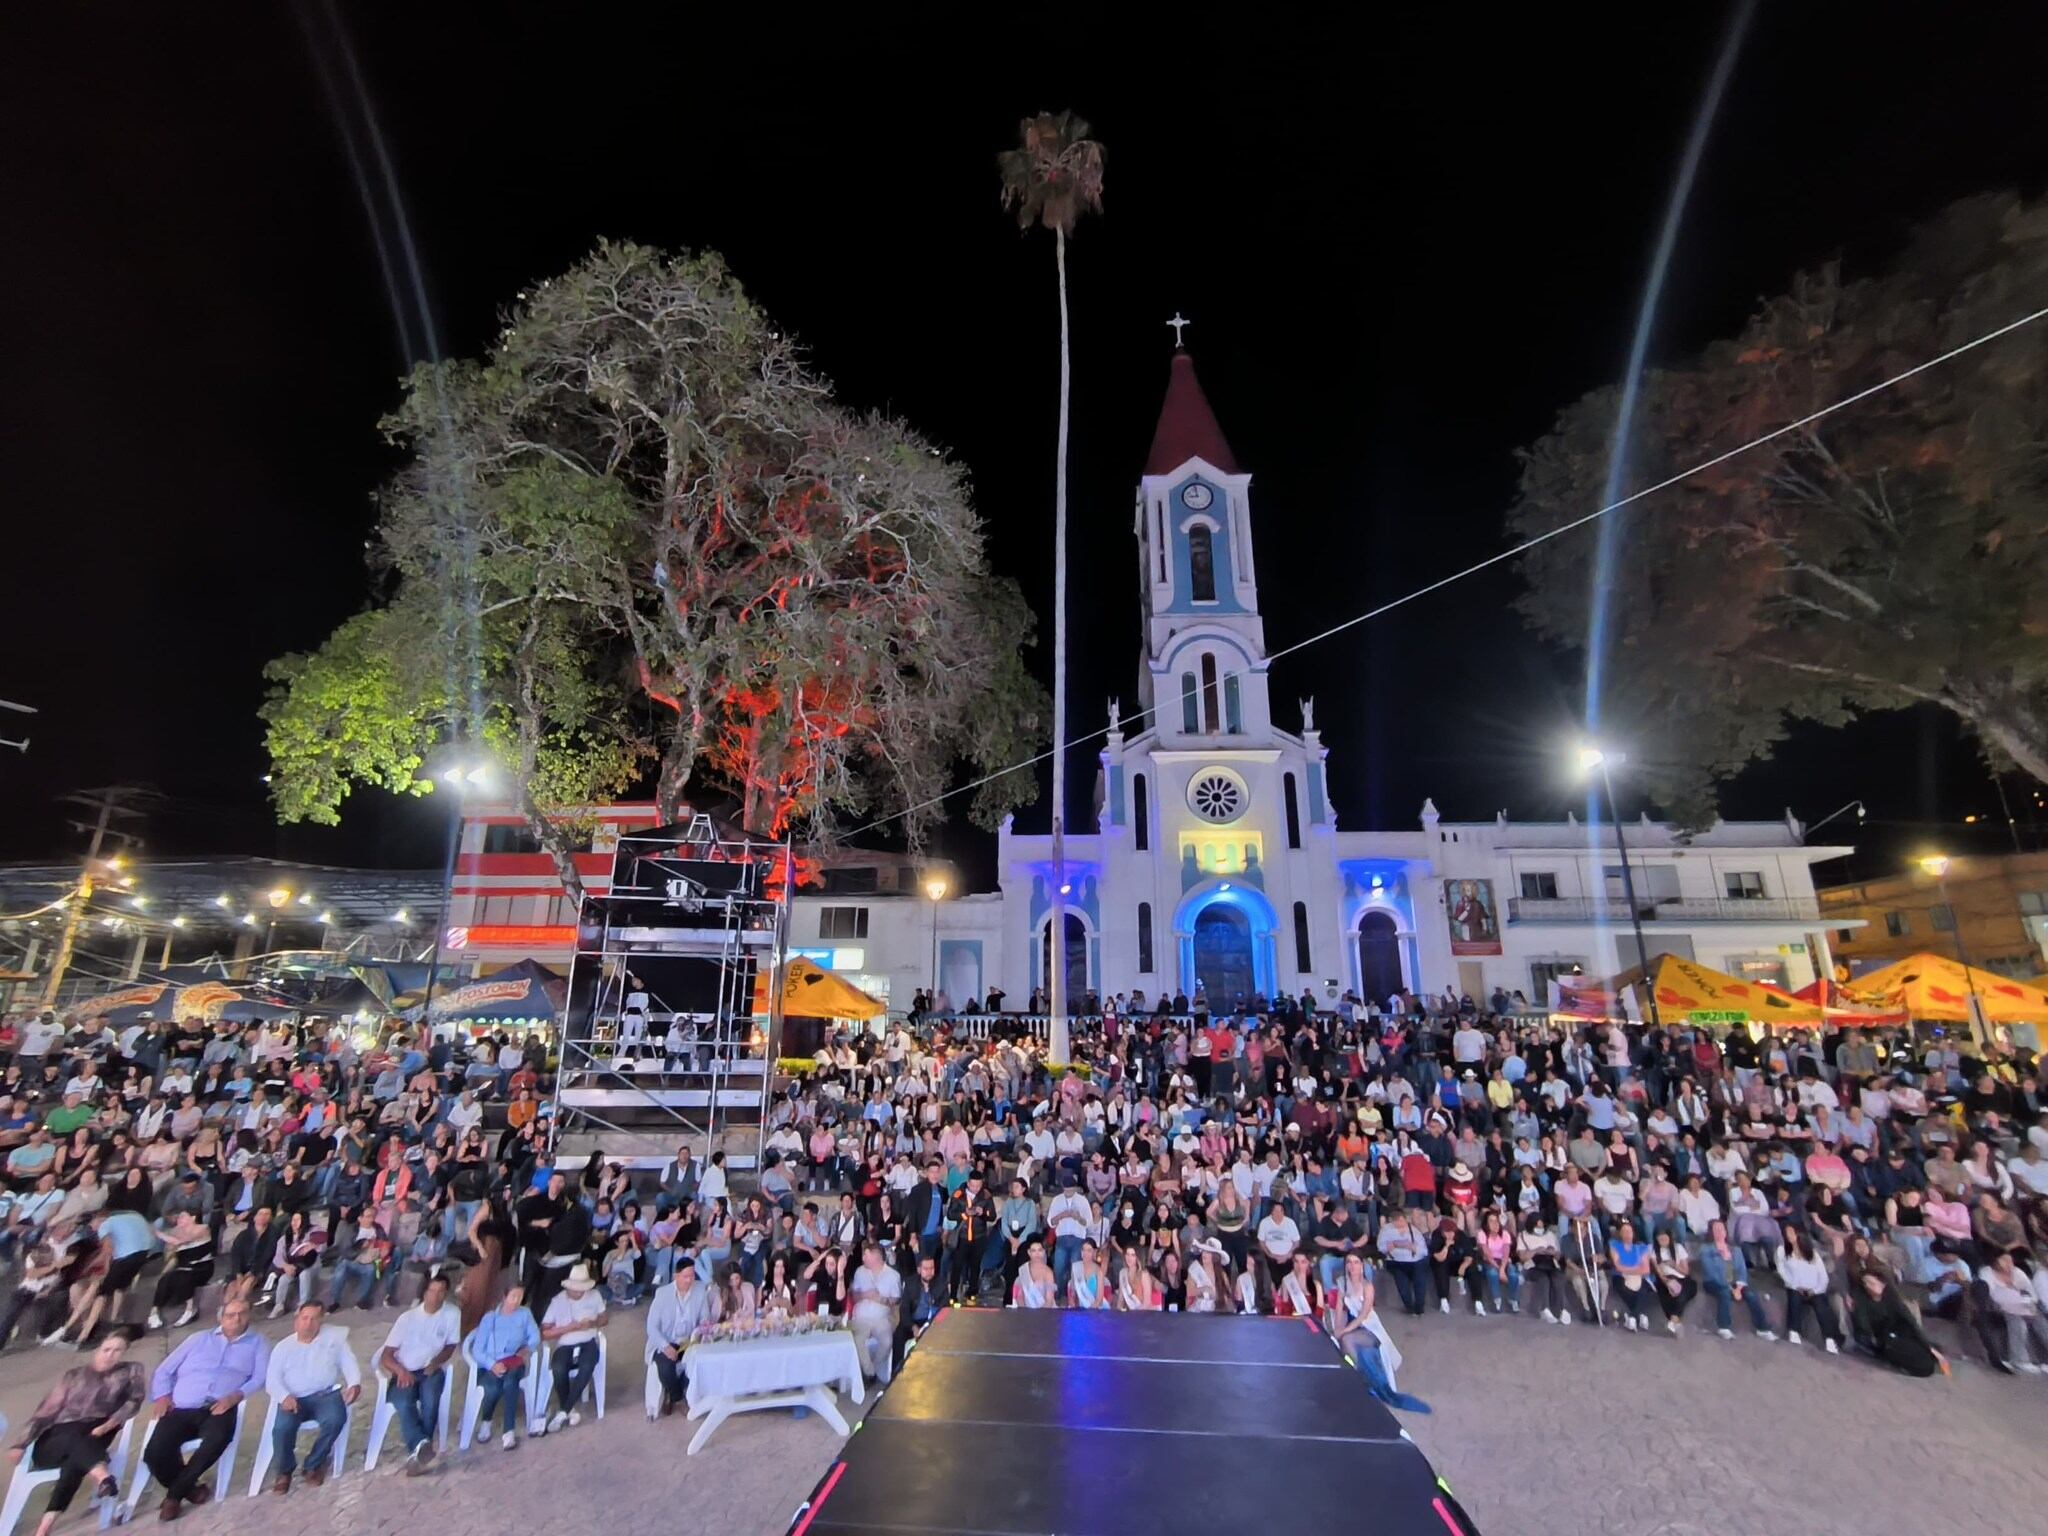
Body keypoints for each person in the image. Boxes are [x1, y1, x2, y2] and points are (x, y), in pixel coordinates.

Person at [141, 1297, 269, 1521]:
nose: (236, 1319)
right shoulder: (198, 1339)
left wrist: (234, 1397)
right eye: (231, 1315)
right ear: (221, 1317)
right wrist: (162, 1397)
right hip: (181, 1407)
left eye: (242, 1314)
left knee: (217, 1439)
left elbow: (259, 1378)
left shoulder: (258, 1343)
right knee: (154, 1454)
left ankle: (173, 1497)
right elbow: (164, 1371)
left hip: (220, 1406)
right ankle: (189, 1490)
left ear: (249, 1316)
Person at [8, 1329, 143, 1535]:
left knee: (76, 1461)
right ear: (97, 1349)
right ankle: (103, 1476)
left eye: (117, 1351)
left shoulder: (132, 1370)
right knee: (75, 1440)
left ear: (124, 1352)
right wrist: (21, 1444)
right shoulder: (73, 1376)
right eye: (106, 1349)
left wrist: (110, 1424)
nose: (110, 1354)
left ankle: (45, 1527)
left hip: (97, 1432)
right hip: (56, 1440)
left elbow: (134, 1401)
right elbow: (45, 1412)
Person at [263, 1301, 362, 1494]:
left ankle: (313, 1464)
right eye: (304, 1318)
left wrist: (355, 1384)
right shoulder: (283, 1347)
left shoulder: (333, 1339)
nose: (308, 1323)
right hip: (293, 1398)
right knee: (282, 1429)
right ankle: (284, 1471)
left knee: (336, 1419)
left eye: (314, 1319)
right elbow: (272, 1380)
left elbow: (349, 1362)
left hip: (324, 1395)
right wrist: (284, 1397)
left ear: (321, 1321)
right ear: (297, 1320)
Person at [1325, 1253, 1430, 1413]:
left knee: (1347, 1340)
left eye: (1356, 1262)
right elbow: (1339, 1310)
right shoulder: (1342, 1283)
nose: (1352, 1266)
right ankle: (1356, 1376)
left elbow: (1363, 1315)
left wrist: (1344, 1331)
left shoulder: (1368, 1286)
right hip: (1350, 1326)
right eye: (1349, 1263)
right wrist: (1337, 1329)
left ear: (1362, 1265)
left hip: (1369, 1328)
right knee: (1340, 1340)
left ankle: (1363, 1380)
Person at [378, 1270, 459, 1474]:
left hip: (430, 1369)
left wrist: (436, 1361)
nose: (436, 1296)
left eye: (441, 1291)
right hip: (405, 1371)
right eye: (432, 1291)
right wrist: (401, 1371)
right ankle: (422, 1446)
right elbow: (386, 1356)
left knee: (431, 1401)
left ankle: (418, 1454)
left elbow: (451, 1345)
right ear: (424, 1293)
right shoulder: (408, 1319)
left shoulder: (452, 1314)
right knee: (404, 1403)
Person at [462, 1284, 540, 1450]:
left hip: (513, 1360)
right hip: (491, 1363)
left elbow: (535, 1336)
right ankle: (486, 1420)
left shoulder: (525, 1314)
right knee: (492, 1388)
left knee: (511, 1383)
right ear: (504, 1298)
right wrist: (492, 1364)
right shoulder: (490, 1318)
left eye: (520, 1297)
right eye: (513, 1297)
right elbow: (477, 1349)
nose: (516, 1301)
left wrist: (527, 1348)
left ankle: (508, 1430)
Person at [539, 1263, 606, 1433]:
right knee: (558, 1367)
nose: (578, 1292)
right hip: (565, 1342)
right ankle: (568, 1409)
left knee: (587, 1365)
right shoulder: (558, 1301)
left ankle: (563, 1411)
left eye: (581, 1289)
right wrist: (569, 1328)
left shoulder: (594, 1295)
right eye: (575, 1289)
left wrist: (592, 1323)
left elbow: (604, 1318)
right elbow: (545, 1332)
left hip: (588, 1339)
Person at [1849, 1271, 1945, 1378]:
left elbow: (1909, 1320)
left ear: (1882, 1284)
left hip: (1896, 1331)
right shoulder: (1860, 1297)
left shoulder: (1891, 1297)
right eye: (1865, 1283)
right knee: (1914, 1359)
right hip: (1880, 1337)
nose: (1868, 1286)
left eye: (1872, 1283)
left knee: (1928, 1348)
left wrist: (1928, 1346)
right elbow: (1863, 1324)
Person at [645, 1265, 712, 1417]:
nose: (689, 1280)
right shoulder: (662, 1294)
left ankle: (680, 1390)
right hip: (667, 1341)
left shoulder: (699, 1291)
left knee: (698, 1363)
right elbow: (651, 1326)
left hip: (689, 1341)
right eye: (685, 1276)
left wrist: (699, 1334)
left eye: (692, 1276)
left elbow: (705, 1320)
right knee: (666, 1366)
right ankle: (677, 1396)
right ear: (676, 1276)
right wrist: (665, 1346)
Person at [1698, 1220, 1774, 1341]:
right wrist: (1730, 1288)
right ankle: (1724, 1326)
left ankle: (1763, 1329)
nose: (1719, 1232)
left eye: (1721, 1229)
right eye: (1716, 1229)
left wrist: (1738, 1287)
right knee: (1724, 1292)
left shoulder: (1735, 1250)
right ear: (1711, 1232)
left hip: (1734, 1282)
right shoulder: (1706, 1249)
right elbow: (1710, 1271)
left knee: (1751, 1294)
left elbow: (1742, 1270)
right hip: (1714, 1282)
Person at [1978, 1250, 2048, 1371]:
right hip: (2000, 1307)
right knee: (2018, 1323)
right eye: (2004, 1260)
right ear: (1995, 1261)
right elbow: (1988, 1294)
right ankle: (2019, 1360)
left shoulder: (2017, 1273)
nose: (2008, 1264)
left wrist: (2027, 1302)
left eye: (2010, 1261)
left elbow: (2031, 1293)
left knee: (2041, 1323)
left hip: (2023, 1306)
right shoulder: (1987, 1272)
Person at [1776, 1229, 1843, 1353]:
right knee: (1794, 1301)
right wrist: (1794, 1286)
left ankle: (1829, 1339)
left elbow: (1823, 1277)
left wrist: (1815, 1290)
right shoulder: (1784, 1252)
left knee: (1822, 1308)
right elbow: (1782, 1271)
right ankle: (1794, 1331)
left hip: (1815, 1290)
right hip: (1795, 1287)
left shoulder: (1814, 1256)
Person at [848, 1241, 902, 1382]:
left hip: (881, 1317)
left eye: (866, 1255)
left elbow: (895, 1301)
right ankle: (869, 1373)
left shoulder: (893, 1275)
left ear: (875, 1256)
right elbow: (854, 1296)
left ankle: (877, 1364)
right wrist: (866, 1295)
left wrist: (881, 1299)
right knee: (858, 1340)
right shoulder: (860, 1272)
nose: (863, 1258)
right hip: (861, 1316)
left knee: (887, 1340)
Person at [1650, 1229, 1696, 1335]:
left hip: (1681, 1276)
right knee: (1667, 1293)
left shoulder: (1678, 1248)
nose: (1663, 1240)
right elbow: (1658, 1272)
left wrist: (1674, 1265)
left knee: (1686, 1290)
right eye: (1660, 1239)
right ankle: (1675, 1321)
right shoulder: (1654, 1252)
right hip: (1666, 1278)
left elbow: (1686, 1271)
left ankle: (1673, 1319)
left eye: (1665, 1238)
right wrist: (1667, 1282)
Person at [1010, 1238, 1059, 1309]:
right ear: (1029, 1252)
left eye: (1040, 1250)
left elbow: (1049, 1300)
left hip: (1046, 1312)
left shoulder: (1048, 1273)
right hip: (1026, 1313)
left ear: (1044, 1252)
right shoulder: (1023, 1270)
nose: (1037, 1254)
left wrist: (1039, 1316)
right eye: (1034, 1251)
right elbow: (1020, 1297)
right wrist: (1025, 1312)